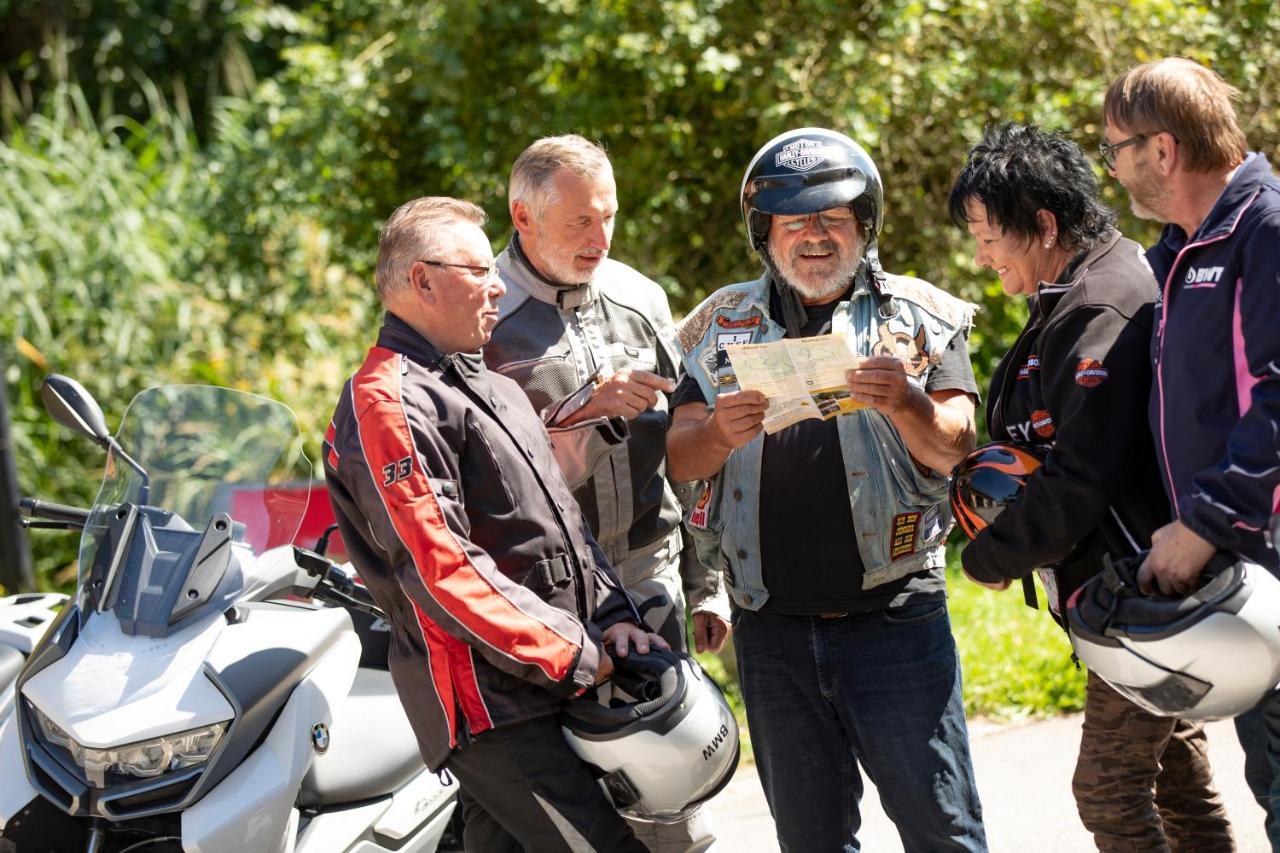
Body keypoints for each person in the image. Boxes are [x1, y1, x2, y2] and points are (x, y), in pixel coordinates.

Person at [667, 127, 987, 852]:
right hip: (770, 630)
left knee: (944, 832)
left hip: (898, 620)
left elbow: (958, 446)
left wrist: (907, 401)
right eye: (794, 220)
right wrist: (717, 433)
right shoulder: (719, 323)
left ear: (864, 225)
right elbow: (681, 458)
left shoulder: (922, 315)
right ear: (764, 233)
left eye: (832, 217)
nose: (814, 235)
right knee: (810, 840)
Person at [322, 196, 662, 853]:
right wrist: (571, 653)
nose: (501, 283)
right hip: (492, 704)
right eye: (479, 270)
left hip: (548, 681)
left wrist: (614, 611)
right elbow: (440, 567)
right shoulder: (387, 401)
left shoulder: (489, 383)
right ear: (422, 280)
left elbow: (560, 521)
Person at [949, 122, 1235, 852]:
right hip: (1125, 588)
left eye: (988, 236)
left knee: (1107, 790)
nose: (980, 256)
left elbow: (1087, 469)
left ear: (1043, 223)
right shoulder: (1077, 288)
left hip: (1140, 586)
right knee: (1177, 780)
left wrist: (992, 556)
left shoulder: (1100, 304)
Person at [482, 134, 729, 852]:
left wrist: (707, 580)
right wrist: (585, 411)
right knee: (563, 816)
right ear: (521, 216)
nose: (600, 239)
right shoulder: (482, 321)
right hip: (545, 601)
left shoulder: (643, 298)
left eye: (609, 217)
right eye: (578, 223)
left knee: (673, 801)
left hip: (652, 578)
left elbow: (694, 448)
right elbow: (484, 482)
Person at [1102, 57, 1280, 849]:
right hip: (1235, 566)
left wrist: (1205, 522)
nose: (1111, 167)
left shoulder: (1264, 229)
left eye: (1115, 147)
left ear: (1162, 151)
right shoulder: (1179, 250)